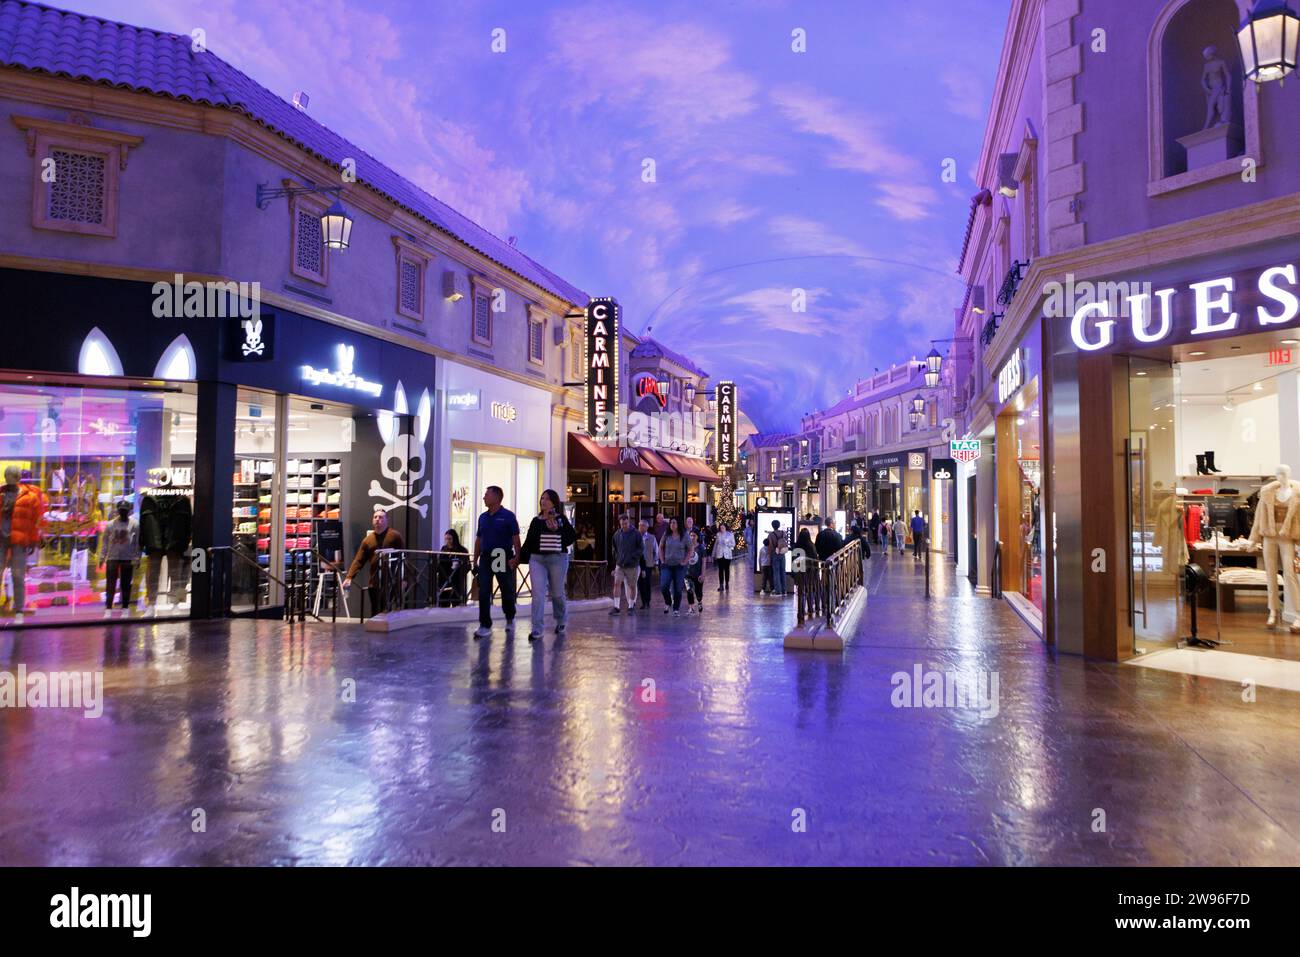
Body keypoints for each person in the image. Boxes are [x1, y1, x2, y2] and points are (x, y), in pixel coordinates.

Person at [519, 489, 576, 640]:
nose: (543, 501)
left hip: (557, 558)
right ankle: (537, 628)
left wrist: (558, 529)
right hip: (537, 559)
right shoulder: (536, 521)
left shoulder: (561, 519)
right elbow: (529, 543)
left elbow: (571, 537)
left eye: (547, 499)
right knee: (537, 594)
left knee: (557, 593)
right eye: (542, 498)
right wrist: (517, 558)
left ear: (554, 502)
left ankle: (561, 620)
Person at [472, 485, 521, 639]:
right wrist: (475, 559)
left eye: (487, 495)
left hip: (501, 555)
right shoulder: (483, 517)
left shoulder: (508, 516)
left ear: (496, 497)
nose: (484, 497)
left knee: (506, 588)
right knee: (484, 590)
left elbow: (515, 537)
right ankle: (485, 624)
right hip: (486, 557)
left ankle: (510, 617)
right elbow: (479, 539)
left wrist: (517, 557)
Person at [0, 466, 43, 624]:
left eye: (13, 475)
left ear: (18, 477)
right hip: (1, 539)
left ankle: (19, 611)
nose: (10, 478)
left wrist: (33, 540)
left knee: (18, 575)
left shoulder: (30, 496)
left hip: (19, 539)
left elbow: (36, 521)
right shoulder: (0, 493)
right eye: (8, 475)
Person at [344, 508, 405, 617]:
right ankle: (375, 633)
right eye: (375, 517)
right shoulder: (368, 540)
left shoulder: (395, 536)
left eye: (381, 517)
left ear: (387, 520)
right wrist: (349, 577)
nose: (377, 519)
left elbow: (404, 558)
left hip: (391, 581)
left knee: (388, 611)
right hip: (374, 582)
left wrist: (404, 579)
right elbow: (359, 560)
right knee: (375, 611)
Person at [99, 499, 139, 617]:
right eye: (121, 511)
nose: (123, 513)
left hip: (127, 557)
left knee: (126, 584)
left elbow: (137, 542)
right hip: (113, 557)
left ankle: (125, 607)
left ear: (128, 511)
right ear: (118, 511)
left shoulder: (134, 524)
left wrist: (137, 557)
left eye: (125, 511)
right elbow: (105, 542)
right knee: (110, 584)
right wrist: (102, 557)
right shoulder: (111, 524)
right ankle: (108, 608)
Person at [610, 512, 643, 616]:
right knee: (616, 584)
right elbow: (614, 548)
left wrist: (633, 557)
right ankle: (616, 606)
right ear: (620, 523)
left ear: (628, 522)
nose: (624, 526)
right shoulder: (617, 534)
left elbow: (641, 548)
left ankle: (631, 606)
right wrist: (617, 558)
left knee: (632, 586)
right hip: (620, 565)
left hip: (632, 565)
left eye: (626, 523)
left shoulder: (636, 533)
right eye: (622, 524)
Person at [658, 517, 687, 616]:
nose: (672, 525)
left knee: (678, 589)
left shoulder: (684, 535)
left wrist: (685, 561)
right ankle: (668, 601)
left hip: (679, 566)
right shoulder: (666, 534)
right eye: (671, 523)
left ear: (678, 524)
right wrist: (662, 560)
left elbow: (691, 549)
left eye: (674, 523)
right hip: (667, 565)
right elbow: (661, 547)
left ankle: (676, 609)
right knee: (664, 586)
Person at [436, 529, 469, 606]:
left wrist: (460, 568)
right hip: (444, 580)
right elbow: (440, 563)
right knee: (443, 603)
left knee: (457, 603)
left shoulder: (462, 550)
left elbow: (467, 565)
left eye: (449, 539)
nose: (448, 541)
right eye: (446, 539)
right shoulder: (444, 549)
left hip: (456, 580)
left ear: (454, 539)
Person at [684, 530, 705, 615]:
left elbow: (703, 562)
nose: (692, 537)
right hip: (687, 574)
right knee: (689, 590)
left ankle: (699, 602)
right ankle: (691, 608)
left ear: (697, 537)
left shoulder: (701, 548)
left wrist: (703, 574)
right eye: (691, 535)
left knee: (698, 592)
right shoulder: (686, 547)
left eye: (694, 535)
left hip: (698, 574)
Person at [638, 519, 657, 610]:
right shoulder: (636, 537)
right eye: (640, 525)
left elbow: (656, 551)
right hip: (637, 564)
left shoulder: (652, 537)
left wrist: (654, 562)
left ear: (647, 527)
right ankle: (643, 602)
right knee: (640, 583)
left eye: (643, 526)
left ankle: (647, 601)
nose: (641, 527)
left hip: (648, 564)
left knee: (647, 583)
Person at [767, 520, 788, 596]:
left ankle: (778, 591)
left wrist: (769, 555)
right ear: (778, 525)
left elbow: (771, 546)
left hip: (775, 554)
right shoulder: (783, 533)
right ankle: (784, 590)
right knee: (783, 571)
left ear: (772, 526)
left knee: (776, 573)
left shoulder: (771, 535)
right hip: (782, 554)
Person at [712, 522, 735, 592]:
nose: (722, 529)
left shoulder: (730, 535)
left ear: (725, 528)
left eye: (723, 528)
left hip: (727, 555)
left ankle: (727, 583)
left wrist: (727, 543)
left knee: (727, 570)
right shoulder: (718, 534)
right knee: (720, 570)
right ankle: (721, 585)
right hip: (720, 554)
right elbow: (716, 544)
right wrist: (714, 553)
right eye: (721, 528)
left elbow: (733, 544)